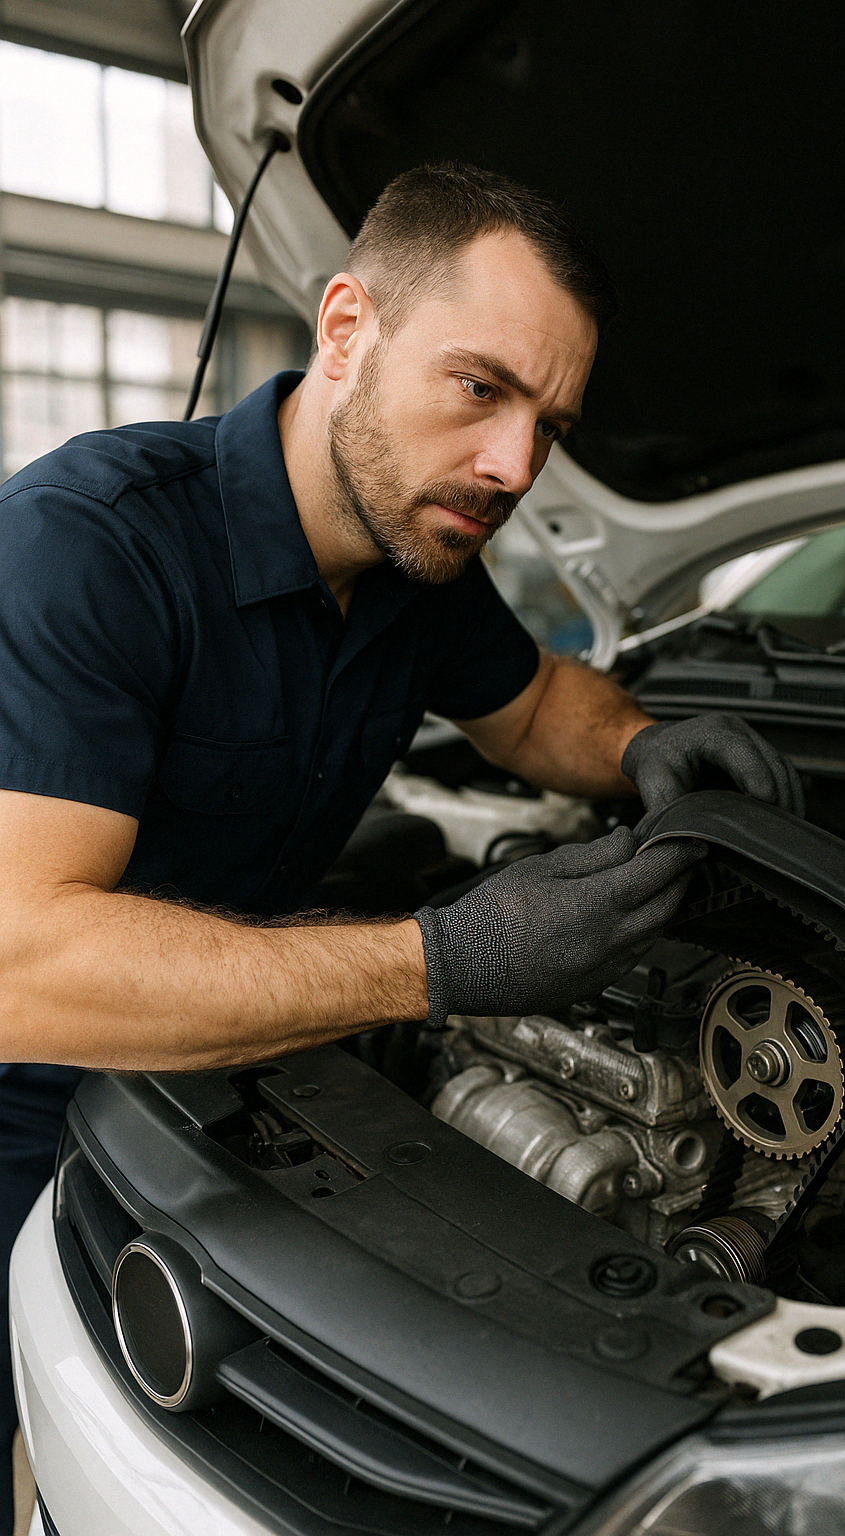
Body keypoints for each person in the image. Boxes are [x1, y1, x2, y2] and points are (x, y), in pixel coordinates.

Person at [0, 163, 800, 1531]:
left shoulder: (418, 557)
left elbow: (539, 705)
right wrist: (449, 957)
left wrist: (644, 747)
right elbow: (23, 964)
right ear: (348, 329)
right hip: (27, 1116)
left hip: (249, 1079)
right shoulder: (90, 546)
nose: (512, 468)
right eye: (480, 388)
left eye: (548, 425)